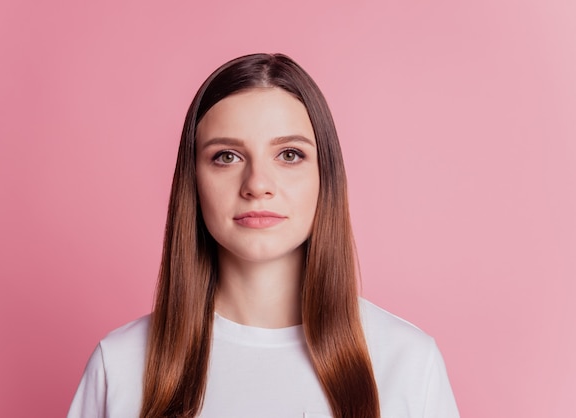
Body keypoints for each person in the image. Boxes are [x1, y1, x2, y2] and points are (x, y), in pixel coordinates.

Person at [67, 53, 460, 418]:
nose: (257, 184)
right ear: (194, 181)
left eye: (289, 154)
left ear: (326, 176)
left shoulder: (408, 363)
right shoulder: (118, 365)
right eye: (226, 156)